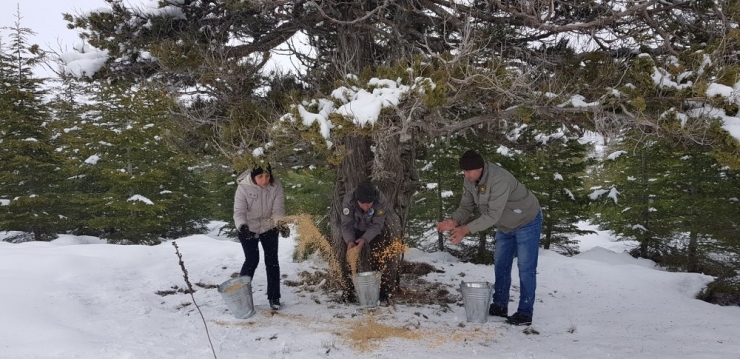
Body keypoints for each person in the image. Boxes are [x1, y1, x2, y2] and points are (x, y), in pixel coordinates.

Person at [436, 150, 542, 326]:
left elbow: (492, 215)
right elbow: (466, 206)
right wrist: (454, 220)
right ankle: (500, 305)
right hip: (505, 225)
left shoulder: (499, 179)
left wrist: (465, 229)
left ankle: (525, 313)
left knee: (525, 267)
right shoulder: (470, 179)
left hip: (526, 220)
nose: (466, 175)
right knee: (501, 264)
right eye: (464, 172)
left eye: (468, 171)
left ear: (480, 168)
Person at [233, 164, 290, 310]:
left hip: (268, 226)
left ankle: (274, 297)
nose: (265, 180)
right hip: (248, 227)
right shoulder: (243, 188)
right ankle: (241, 297)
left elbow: (278, 209)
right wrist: (242, 226)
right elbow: (239, 212)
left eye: (267, 176)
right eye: (260, 177)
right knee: (252, 260)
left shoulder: (275, 187)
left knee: (272, 261)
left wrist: (280, 224)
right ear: (253, 177)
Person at [341, 180, 389, 300]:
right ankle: (349, 291)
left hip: (373, 229)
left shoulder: (380, 200)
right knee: (345, 256)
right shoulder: (349, 200)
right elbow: (346, 225)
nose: (366, 207)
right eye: (362, 203)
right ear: (357, 200)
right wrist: (350, 241)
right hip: (354, 228)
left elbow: (377, 225)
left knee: (380, 254)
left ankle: (382, 290)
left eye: (369, 203)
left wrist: (364, 239)